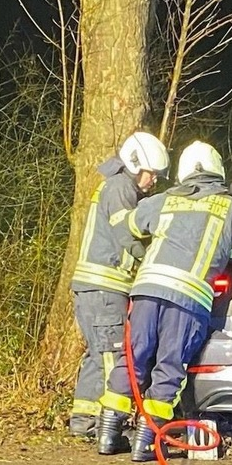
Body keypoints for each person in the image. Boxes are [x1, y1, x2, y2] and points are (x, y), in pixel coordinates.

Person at [97, 141, 232, 461]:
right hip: (188, 298)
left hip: (147, 290)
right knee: (170, 366)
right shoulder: (231, 208)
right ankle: (146, 443)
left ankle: (107, 435)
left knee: (133, 358)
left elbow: (131, 225)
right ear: (218, 171)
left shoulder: (164, 200)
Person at [68, 130, 169, 437]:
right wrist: (154, 259)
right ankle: (106, 426)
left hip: (96, 288)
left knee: (99, 356)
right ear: (136, 165)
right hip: (105, 288)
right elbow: (127, 236)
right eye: (152, 173)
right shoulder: (120, 188)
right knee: (114, 357)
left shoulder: (118, 187)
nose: (154, 180)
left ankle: (84, 420)